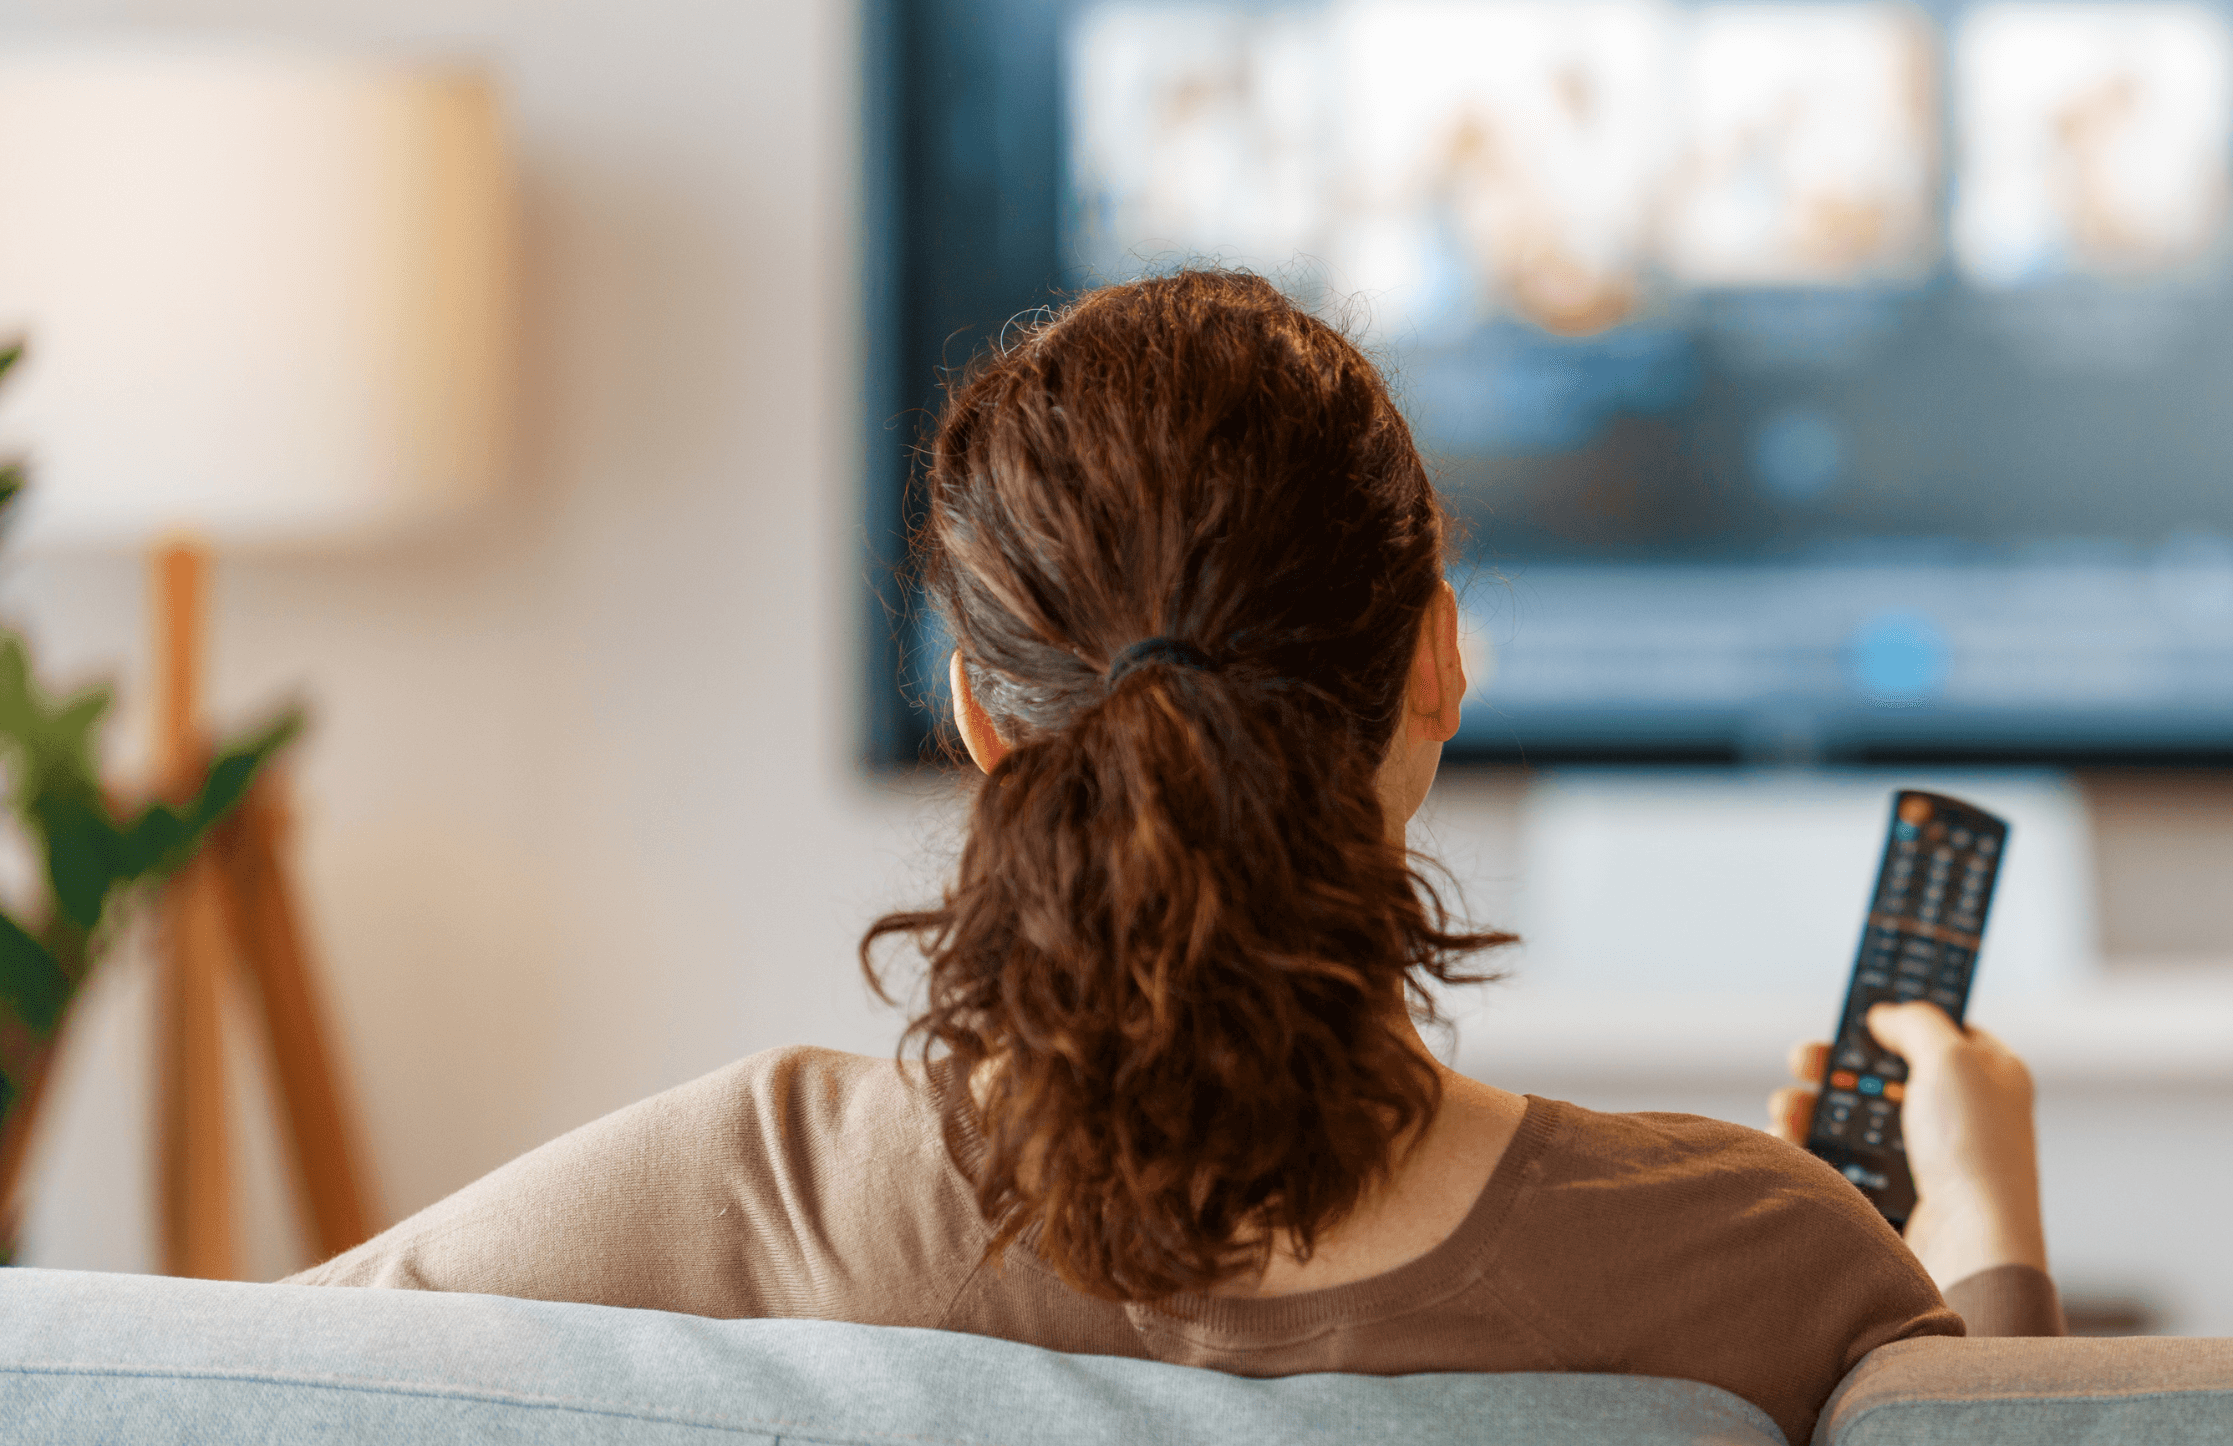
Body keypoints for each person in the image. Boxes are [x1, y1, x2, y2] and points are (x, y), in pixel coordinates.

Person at [292, 270, 2058, 1443]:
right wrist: (1981, 1243)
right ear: (1439, 659)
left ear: (983, 717)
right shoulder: (1753, 1257)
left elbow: (202, 1385)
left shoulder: (750, 1190)